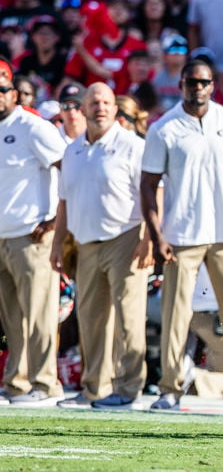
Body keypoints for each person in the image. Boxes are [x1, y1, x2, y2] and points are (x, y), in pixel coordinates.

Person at [141, 58, 223, 411]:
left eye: (204, 82)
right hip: (181, 234)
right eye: (191, 82)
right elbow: (148, 185)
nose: (198, 88)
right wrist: (156, 235)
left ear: (213, 85)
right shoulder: (163, 128)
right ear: (181, 84)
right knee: (175, 312)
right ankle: (169, 388)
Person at [51, 82, 152, 409]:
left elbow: (153, 194)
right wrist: (57, 244)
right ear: (82, 107)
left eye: (107, 102)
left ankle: (129, 387)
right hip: (85, 242)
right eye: (94, 102)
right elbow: (64, 202)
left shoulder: (133, 146)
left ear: (115, 106)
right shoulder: (72, 150)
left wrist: (149, 238)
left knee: (129, 318)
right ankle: (94, 387)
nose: (101, 108)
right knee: (91, 319)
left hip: (126, 236)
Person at [0, 59, 65, 406]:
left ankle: (45, 383)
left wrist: (55, 220)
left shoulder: (33, 127)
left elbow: (68, 168)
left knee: (40, 312)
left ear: (14, 92)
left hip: (31, 234)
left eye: (2, 89)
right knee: (11, 317)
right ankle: (17, 381)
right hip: (2, 235)